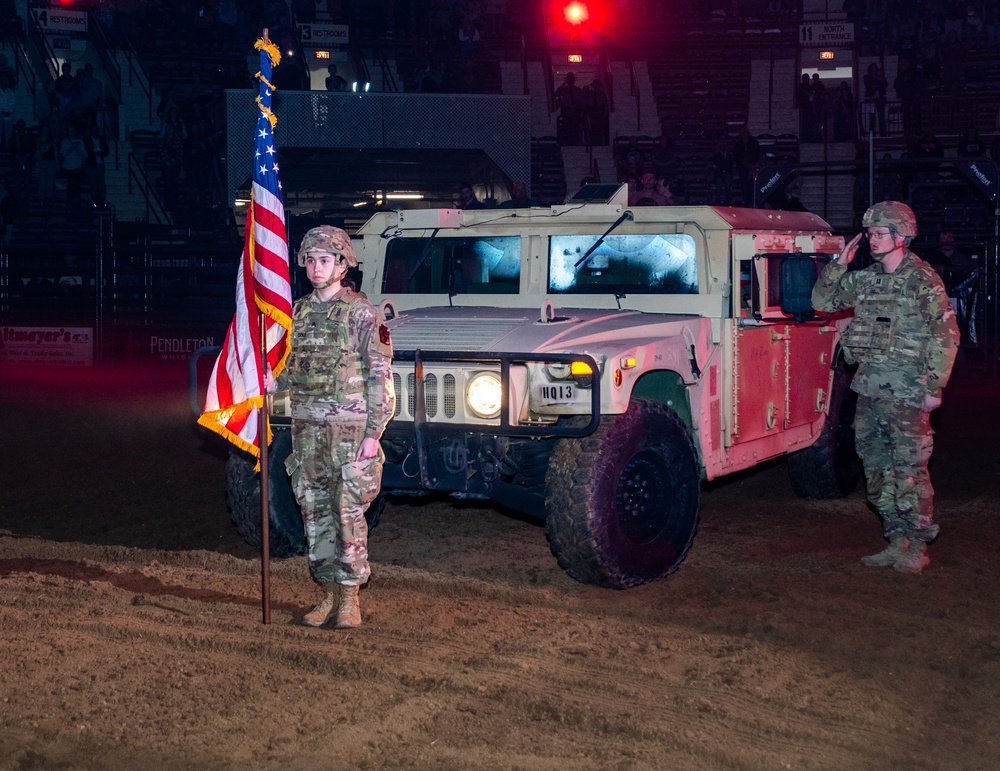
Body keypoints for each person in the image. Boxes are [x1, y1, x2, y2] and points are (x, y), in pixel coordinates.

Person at [811, 201, 960, 573]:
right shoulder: (866, 279)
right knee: (876, 471)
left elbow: (946, 332)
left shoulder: (921, 280)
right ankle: (897, 540)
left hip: (908, 391)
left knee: (909, 472)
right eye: (871, 234)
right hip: (871, 390)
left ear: (901, 236)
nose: (873, 240)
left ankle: (917, 548)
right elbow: (821, 302)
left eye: (880, 234)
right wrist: (840, 264)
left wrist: (935, 386)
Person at [275, 226, 395, 629]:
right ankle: (327, 593)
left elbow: (380, 378)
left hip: (349, 434)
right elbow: (291, 370)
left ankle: (349, 599)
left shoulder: (362, 314)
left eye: (324, 260)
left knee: (347, 513)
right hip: (308, 431)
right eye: (309, 260)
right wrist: (262, 379)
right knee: (315, 513)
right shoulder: (297, 312)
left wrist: (373, 434)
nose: (315, 267)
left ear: (342, 266)